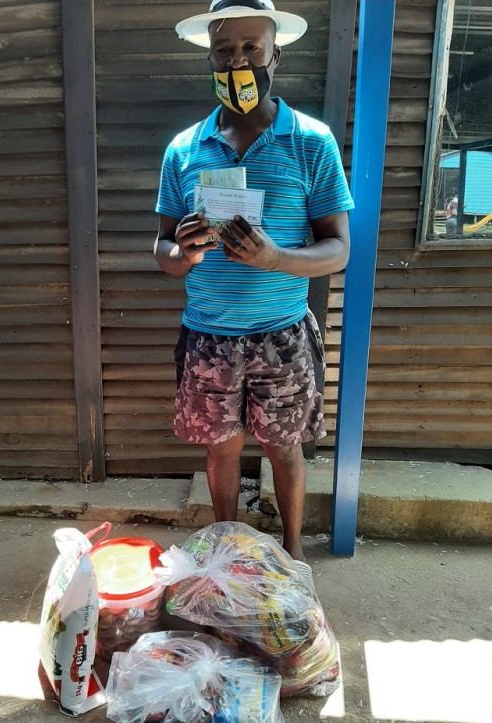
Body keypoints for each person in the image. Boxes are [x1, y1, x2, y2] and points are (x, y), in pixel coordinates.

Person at [154, 0, 354, 562]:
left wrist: (275, 257)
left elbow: (339, 248)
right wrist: (183, 252)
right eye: (224, 50)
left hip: (281, 335)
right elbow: (162, 250)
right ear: (209, 59)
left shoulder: (311, 142)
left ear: (275, 55)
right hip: (209, 337)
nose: (237, 61)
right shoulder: (184, 149)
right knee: (221, 450)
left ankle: (291, 557)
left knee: (284, 449)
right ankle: (227, 556)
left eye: (251, 48)